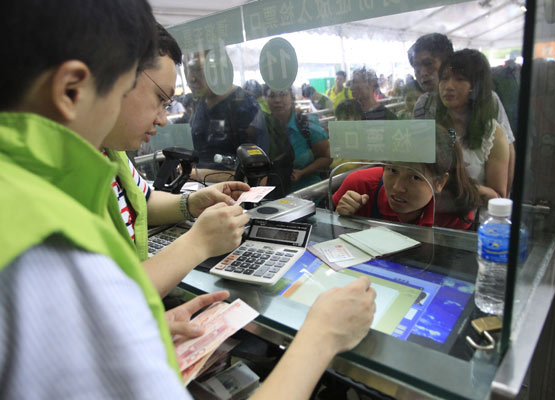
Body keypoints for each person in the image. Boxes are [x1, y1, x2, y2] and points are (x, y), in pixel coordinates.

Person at [0, 1, 377, 398]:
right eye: (127, 85)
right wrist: (322, 336)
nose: (163, 117)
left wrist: (132, 326)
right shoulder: (57, 250)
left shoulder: (31, 192)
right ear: (72, 89)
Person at [101, 23, 251, 298]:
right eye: (159, 98)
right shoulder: (55, 179)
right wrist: (198, 243)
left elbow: (142, 201)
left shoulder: (110, 151)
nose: (162, 118)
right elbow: (106, 301)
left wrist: (191, 203)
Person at [408, 33, 516, 194]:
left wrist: (503, 198)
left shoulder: (487, 101)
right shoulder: (424, 103)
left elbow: (508, 147)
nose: (422, 73)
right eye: (416, 67)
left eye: (428, 64)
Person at [334, 125, 481, 229]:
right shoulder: (360, 186)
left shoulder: (456, 213)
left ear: (439, 182)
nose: (397, 187)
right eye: (392, 170)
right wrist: (342, 218)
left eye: (415, 177)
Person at [436, 49, 510, 202]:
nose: (449, 86)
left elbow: (498, 197)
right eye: (444, 78)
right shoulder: (434, 127)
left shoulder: (492, 134)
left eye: (460, 79)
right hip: (437, 218)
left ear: (476, 86)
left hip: (473, 221)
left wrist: (458, 185)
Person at [185, 52, 269, 182]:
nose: (191, 78)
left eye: (197, 70)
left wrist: (197, 175)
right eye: (187, 69)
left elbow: (259, 176)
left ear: (219, 70)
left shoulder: (244, 105)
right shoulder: (200, 103)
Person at [266, 87, 332, 194]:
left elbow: (327, 157)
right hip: (274, 195)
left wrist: (303, 172)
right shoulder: (263, 127)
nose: (277, 100)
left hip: (308, 193)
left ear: (292, 98)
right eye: (272, 96)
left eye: (282, 94)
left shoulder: (307, 124)